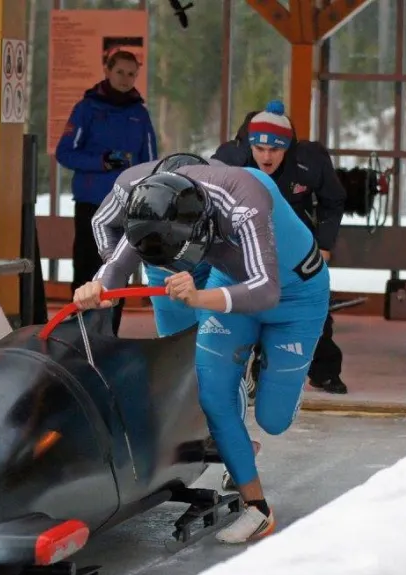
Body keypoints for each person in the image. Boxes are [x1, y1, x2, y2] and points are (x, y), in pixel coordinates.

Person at [73, 165, 331, 544]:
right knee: (213, 396)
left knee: (273, 419)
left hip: (293, 296)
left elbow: (265, 290)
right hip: (230, 284)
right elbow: (116, 267)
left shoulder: (245, 204)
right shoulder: (153, 205)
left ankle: (271, 370)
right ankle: (257, 508)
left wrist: (198, 298)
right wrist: (93, 289)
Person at [214, 100, 349, 394]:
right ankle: (244, 374)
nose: (266, 156)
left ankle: (324, 370)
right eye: (259, 149)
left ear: (288, 148)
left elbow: (334, 200)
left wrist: (324, 244)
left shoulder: (310, 161)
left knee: (311, 305)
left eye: (275, 150)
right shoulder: (230, 159)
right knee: (244, 309)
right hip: (244, 240)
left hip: (297, 241)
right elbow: (207, 201)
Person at [56, 50, 158, 334]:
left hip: (126, 207)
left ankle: (110, 334)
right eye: (120, 72)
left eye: (131, 74)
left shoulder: (140, 114)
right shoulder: (87, 109)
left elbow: (151, 161)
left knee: (118, 268)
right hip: (91, 204)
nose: (126, 79)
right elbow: (64, 153)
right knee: (86, 267)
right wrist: (100, 161)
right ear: (107, 70)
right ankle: (77, 334)